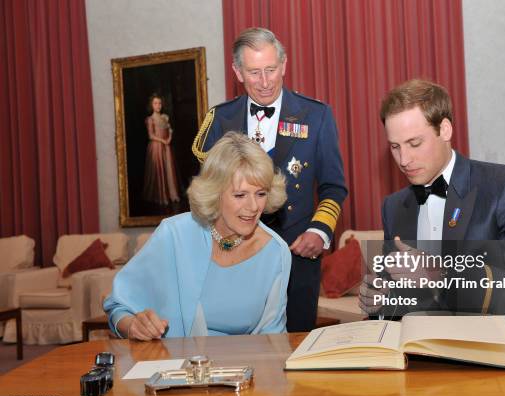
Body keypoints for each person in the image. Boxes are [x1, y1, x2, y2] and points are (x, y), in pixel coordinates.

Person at [360, 79, 505, 322]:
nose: (403, 159)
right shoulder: (393, 207)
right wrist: (381, 302)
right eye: (395, 147)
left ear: (445, 130)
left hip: (495, 352)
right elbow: (405, 301)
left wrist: (443, 274)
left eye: (415, 143)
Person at [192, 27, 347, 332]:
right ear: (238, 72)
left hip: (297, 251)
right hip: (234, 253)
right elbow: (207, 191)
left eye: (271, 70)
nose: (264, 82)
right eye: (254, 72)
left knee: (297, 343)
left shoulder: (316, 116)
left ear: (284, 66)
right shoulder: (220, 119)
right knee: (236, 344)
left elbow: (334, 185)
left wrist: (320, 230)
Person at [104, 132, 291, 340]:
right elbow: (117, 305)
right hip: (174, 367)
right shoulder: (174, 235)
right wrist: (132, 326)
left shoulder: (276, 252)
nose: (253, 207)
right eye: (240, 195)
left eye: (261, 194)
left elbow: (273, 338)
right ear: (215, 191)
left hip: (245, 369)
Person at [143, 93, 180, 205]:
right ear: (151, 105)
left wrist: (169, 138)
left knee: (168, 169)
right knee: (159, 169)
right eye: (155, 103)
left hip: (166, 146)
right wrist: (163, 141)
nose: (158, 105)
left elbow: (169, 130)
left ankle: (172, 194)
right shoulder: (150, 119)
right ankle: (161, 195)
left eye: (159, 103)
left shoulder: (165, 117)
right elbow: (151, 135)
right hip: (156, 147)